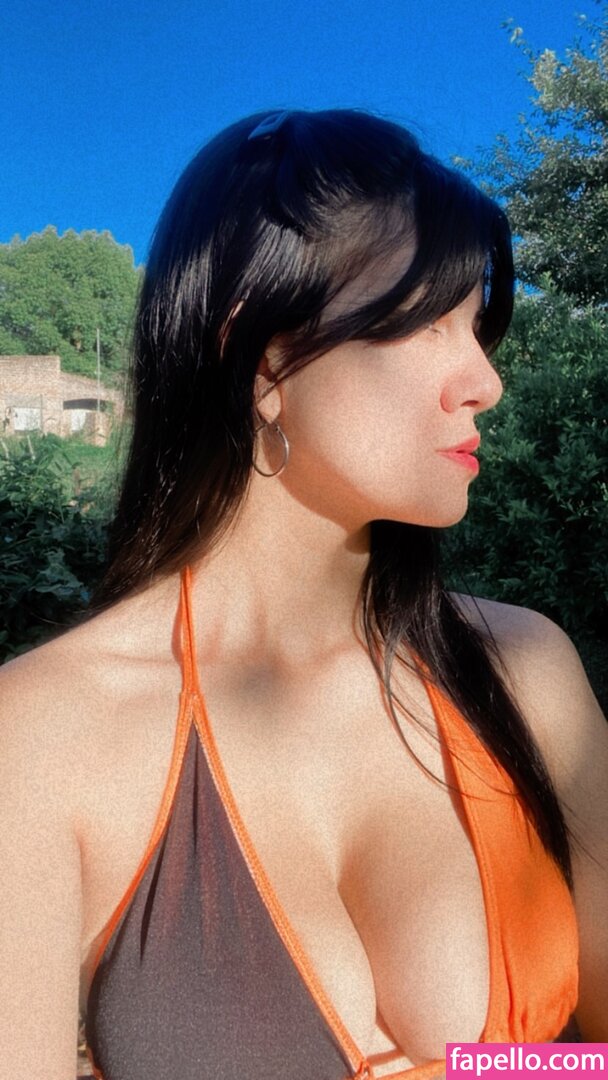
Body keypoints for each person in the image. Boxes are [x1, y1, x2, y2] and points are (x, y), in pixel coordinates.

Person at [0, 109, 606, 1080]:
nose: (485, 382)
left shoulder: (524, 672)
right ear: (266, 359)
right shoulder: (39, 738)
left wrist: (510, 1070)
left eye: (477, 328)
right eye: (429, 323)